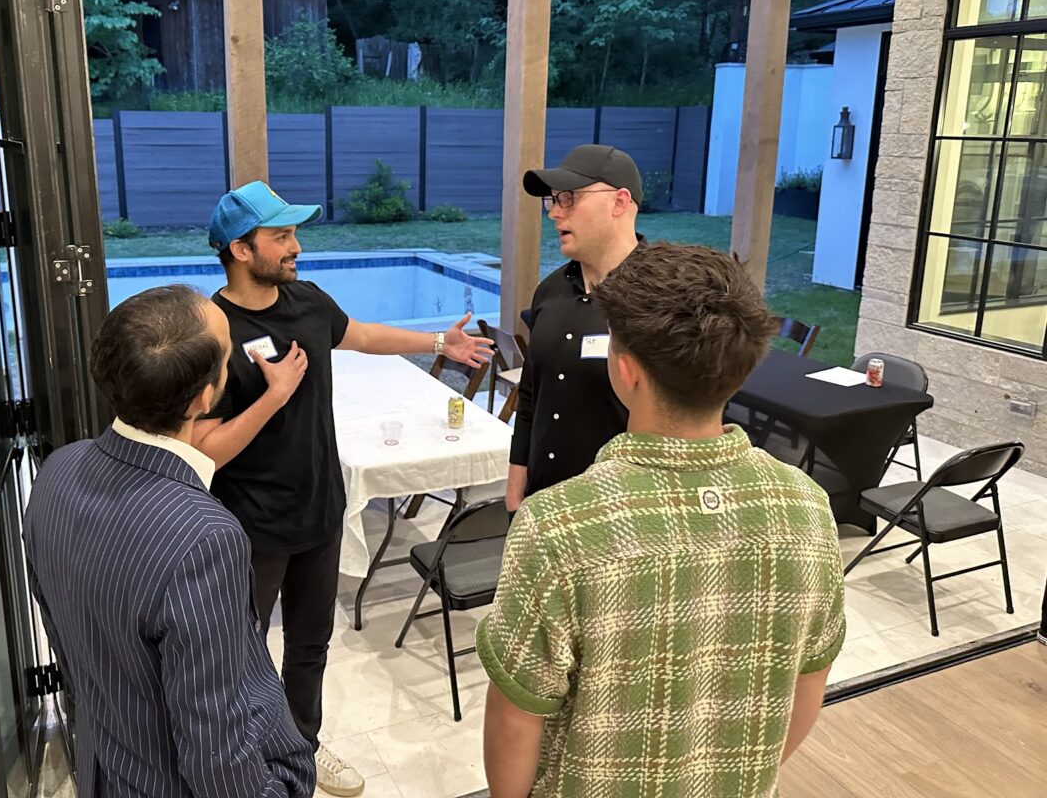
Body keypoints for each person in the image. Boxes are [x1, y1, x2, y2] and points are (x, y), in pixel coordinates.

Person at [478, 243, 846, 798]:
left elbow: (515, 719)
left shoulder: (558, 527)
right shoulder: (807, 508)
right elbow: (807, 684)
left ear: (626, 370)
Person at [189, 180, 493, 797]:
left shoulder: (307, 300)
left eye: (293, 234)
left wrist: (441, 343)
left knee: (310, 646)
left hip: (321, 511)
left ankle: (302, 747)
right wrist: (273, 397)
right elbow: (202, 447)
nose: (295, 246)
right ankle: (243, 760)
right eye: (281, 236)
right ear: (240, 249)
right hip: (251, 526)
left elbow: (363, 335)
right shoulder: (213, 330)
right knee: (240, 656)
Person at [24, 285, 315, 798]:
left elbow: (70, 645)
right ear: (205, 397)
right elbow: (216, 753)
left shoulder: (57, 470)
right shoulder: (203, 538)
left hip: (107, 771)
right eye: (227, 356)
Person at [506, 144, 645, 511]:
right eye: (553, 200)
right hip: (541, 502)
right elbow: (531, 392)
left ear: (619, 202)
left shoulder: (660, 295)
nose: (554, 212)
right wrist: (516, 482)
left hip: (618, 509)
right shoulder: (549, 291)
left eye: (568, 198)